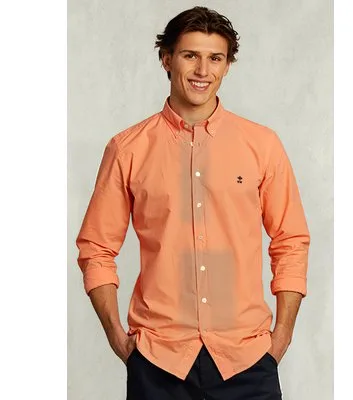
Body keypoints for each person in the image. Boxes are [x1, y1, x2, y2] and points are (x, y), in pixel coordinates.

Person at [76, 6, 310, 400]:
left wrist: (281, 335)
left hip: (247, 359)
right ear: (167, 59)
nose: (203, 70)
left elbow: (291, 241)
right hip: (159, 362)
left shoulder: (262, 145)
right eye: (190, 55)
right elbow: (96, 247)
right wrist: (118, 337)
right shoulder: (128, 149)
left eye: (215, 58)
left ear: (227, 66)